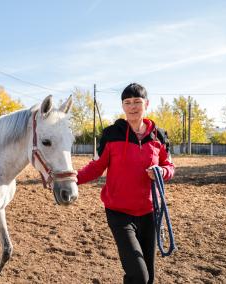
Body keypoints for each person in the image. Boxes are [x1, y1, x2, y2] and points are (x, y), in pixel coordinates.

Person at [77, 83, 175, 284]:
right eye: (127, 102)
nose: (132, 107)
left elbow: (169, 166)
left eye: (137, 102)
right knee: (139, 276)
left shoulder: (159, 136)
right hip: (119, 213)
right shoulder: (112, 134)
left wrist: (162, 172)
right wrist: (71, 178)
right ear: (123, 106)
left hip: (150, 213)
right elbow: (96, 167)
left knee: (149, 278)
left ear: (146, 103)